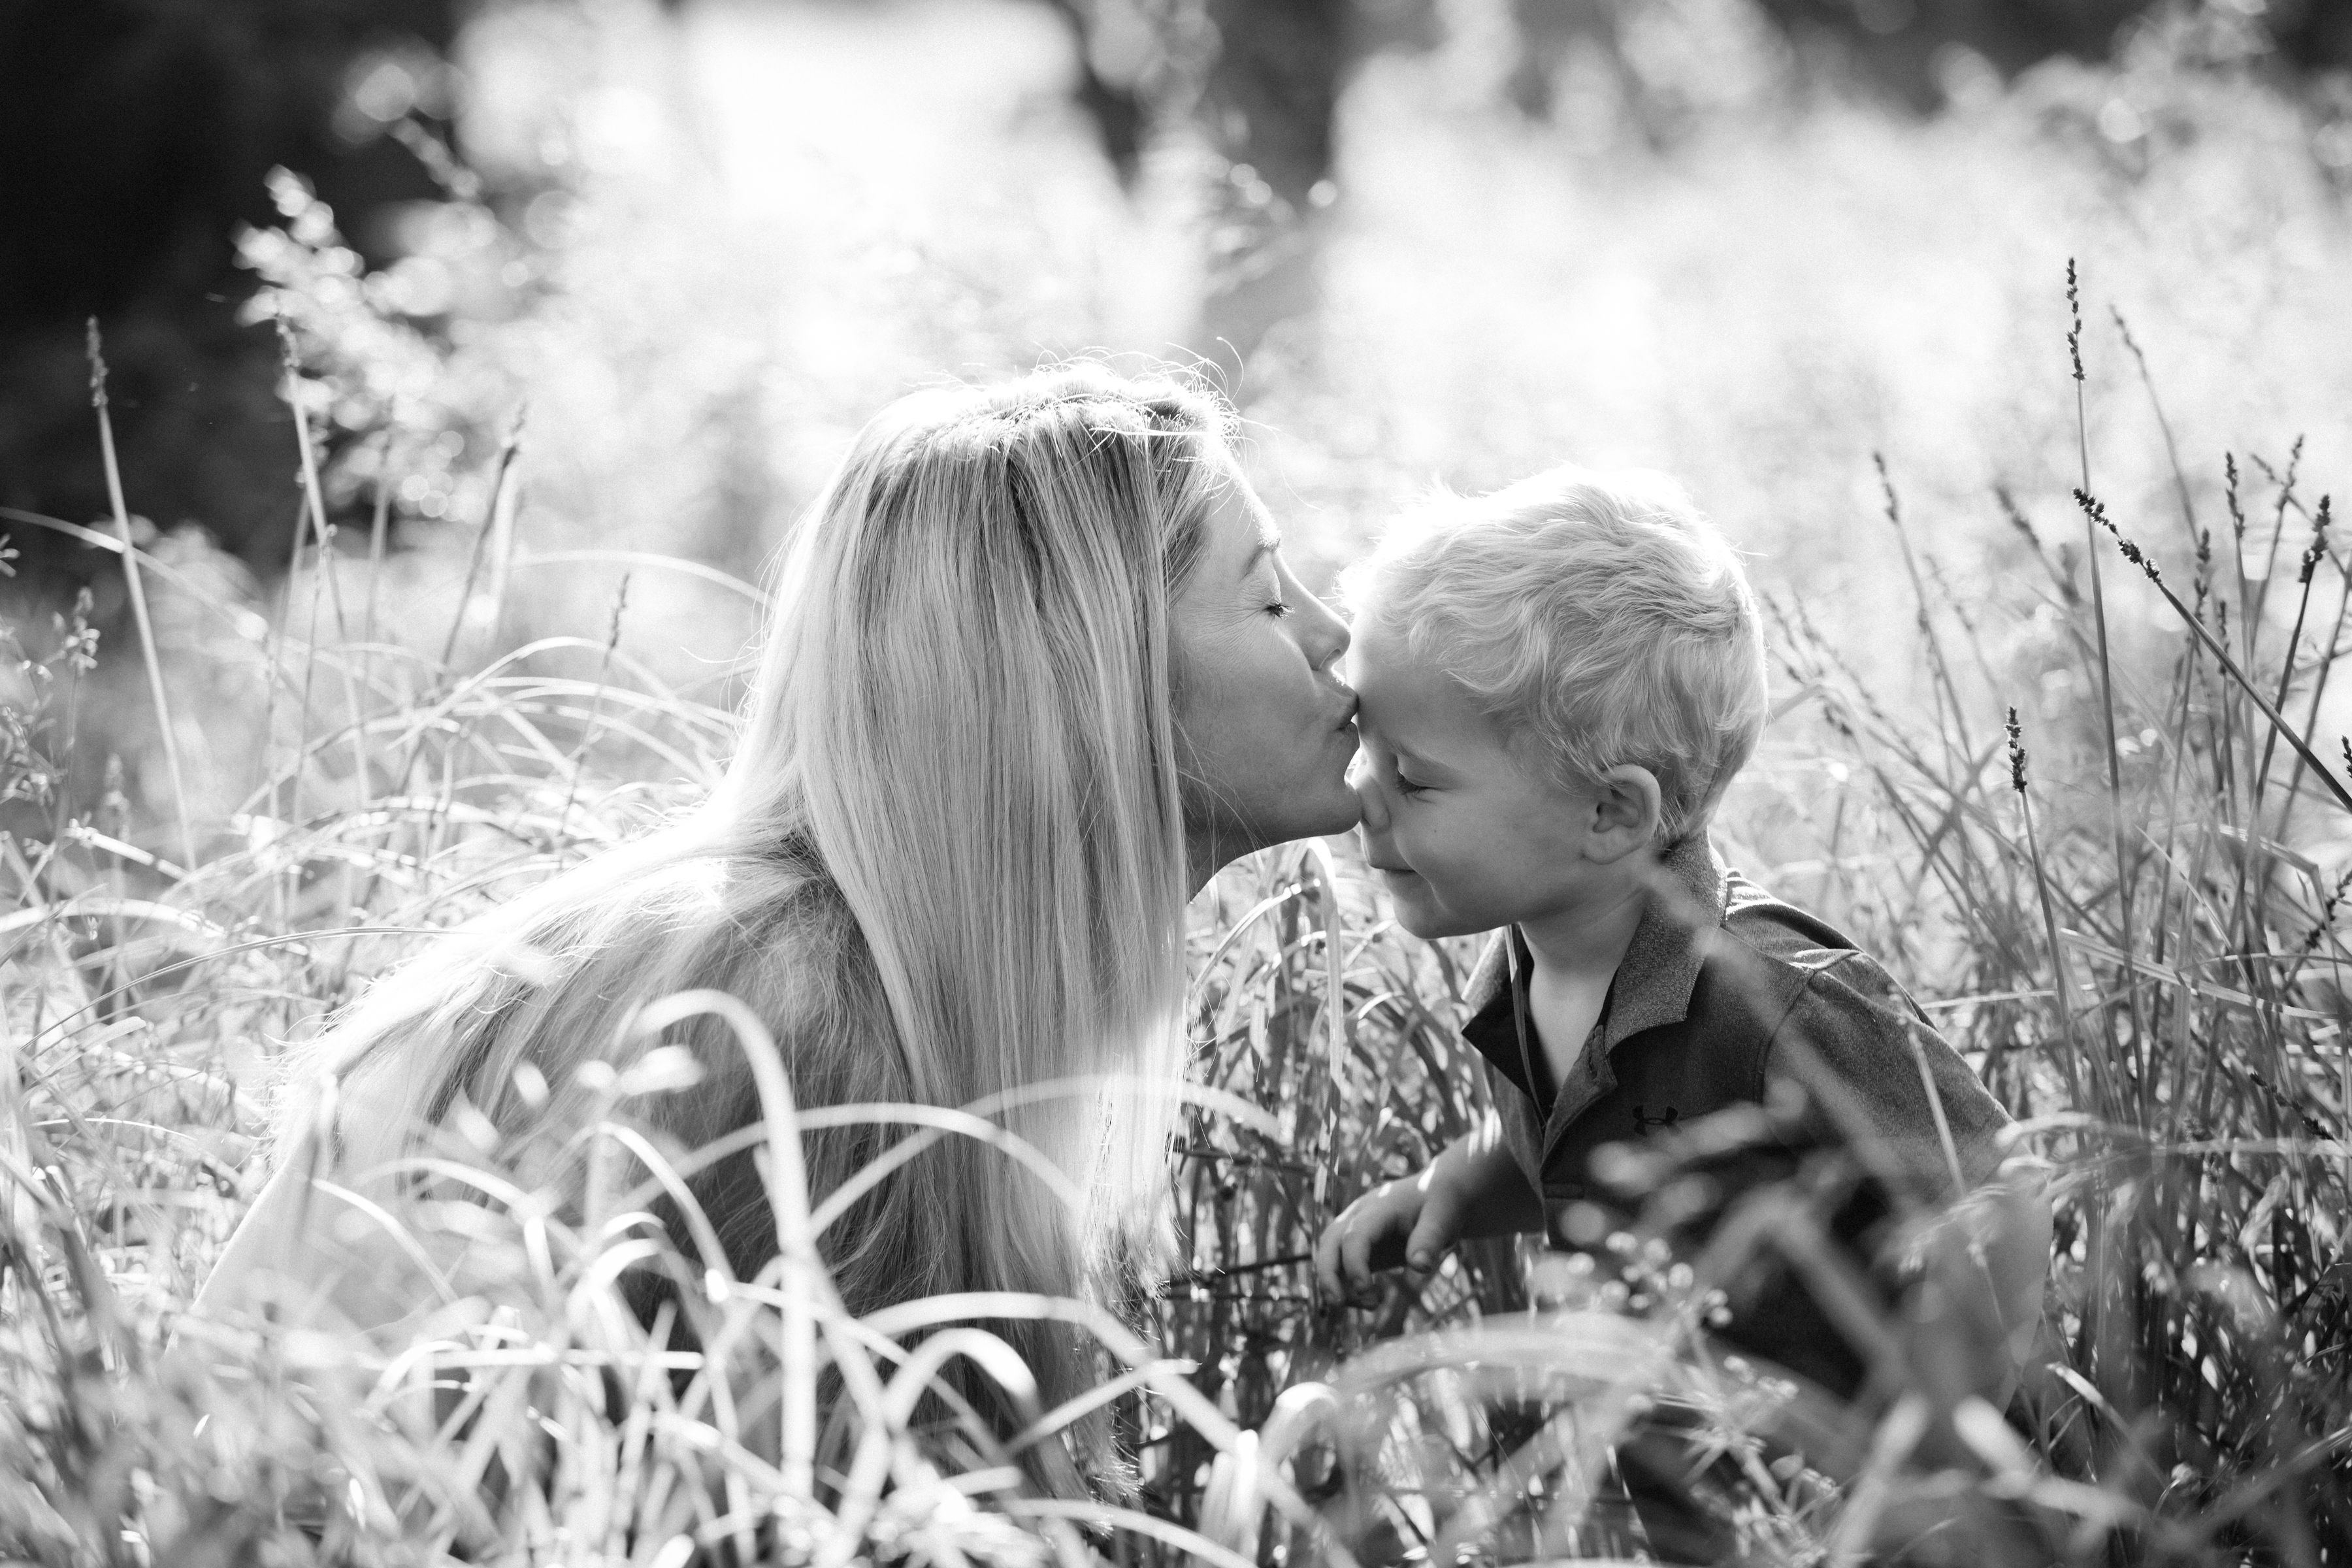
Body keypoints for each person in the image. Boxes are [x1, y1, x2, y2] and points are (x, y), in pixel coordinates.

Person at [194, 364, 1365, 1497]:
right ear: (1094, 677)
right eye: (1267, 596)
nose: (1329, 633)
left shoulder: (888, 969)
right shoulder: (780, 1016)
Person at [1311, 465, 2051, 1556]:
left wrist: (1929, 1434)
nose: (1359, 796)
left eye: (1414, 780)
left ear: (1611, 812)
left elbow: (2002, 1200)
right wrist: (1455, 1188)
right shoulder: (1521, 972)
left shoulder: (1780, 1001)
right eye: (1369, 752)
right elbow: (1587, 1149)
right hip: (1709, 1515)